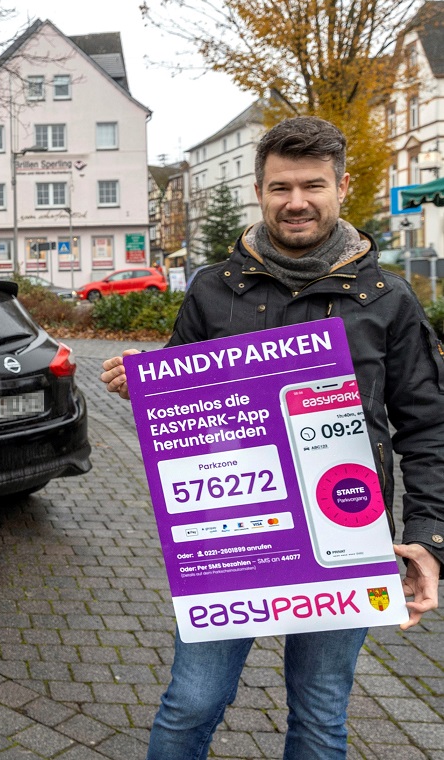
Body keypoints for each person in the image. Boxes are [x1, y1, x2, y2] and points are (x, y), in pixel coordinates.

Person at [101, 116, 444, 760]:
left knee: (319, 714)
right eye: (280, 187)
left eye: (312, 185)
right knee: (191, 702)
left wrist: (429, 540)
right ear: (259, 191)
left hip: (343, 535)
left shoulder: (388, 299)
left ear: (341, 186)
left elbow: (430, 428)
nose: (296, 202)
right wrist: (147, 383)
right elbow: (182, 408)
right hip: (233, 531)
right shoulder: (211, 288)